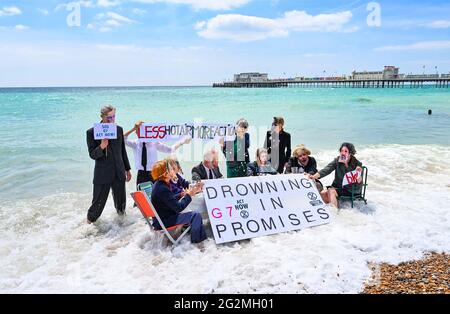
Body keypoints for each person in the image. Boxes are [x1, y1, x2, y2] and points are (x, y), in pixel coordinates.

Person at [86, 105, 132, 223]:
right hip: (102, 174)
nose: (112, 120)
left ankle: (122, 227)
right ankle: (89, 226)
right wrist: (101, 147)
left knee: (121, 205)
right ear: (102, 117)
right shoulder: (91, 132)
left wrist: (127, 169)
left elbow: (122, 151)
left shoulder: (119, 129)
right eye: (109, 117)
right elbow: (92, 154)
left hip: (119, 172)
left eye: (113, 117)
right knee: (97, 205)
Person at [151, 160, 207, 244]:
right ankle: (197, 243)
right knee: (196, 215)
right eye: (170, 169)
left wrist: (180, 195)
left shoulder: (159, 184)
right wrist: (189, 195)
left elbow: (168, 199)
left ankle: (192, 237)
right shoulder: (162, 188)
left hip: (160, 219)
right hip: (165, 221)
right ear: (165, 174)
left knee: (190, 212)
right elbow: (179, 208)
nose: (173, 170)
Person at [124, 121, 191, 188]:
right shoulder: (135, 143)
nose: (137, 132)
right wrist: (133, 129)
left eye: (139, 130)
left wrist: (182, 142)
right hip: (141, 173)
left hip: (154, 172)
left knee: (154, 194)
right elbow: (122, 139)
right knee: (141, 195)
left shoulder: (154, 142)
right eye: (137, 131)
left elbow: (170, 149)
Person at [308, 143, 363, 209]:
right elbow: (327, 169)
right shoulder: (337, 160)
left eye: (345, 151)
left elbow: (359, 181)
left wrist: (357, 173)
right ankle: (334, 207)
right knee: (322, 193)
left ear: (350, 153)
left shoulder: (357, 163)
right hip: (339, 186)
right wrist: (313, 176)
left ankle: (334, 212)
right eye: (341, 151)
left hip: (351, 189)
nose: (343, 153)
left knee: (331, 191)